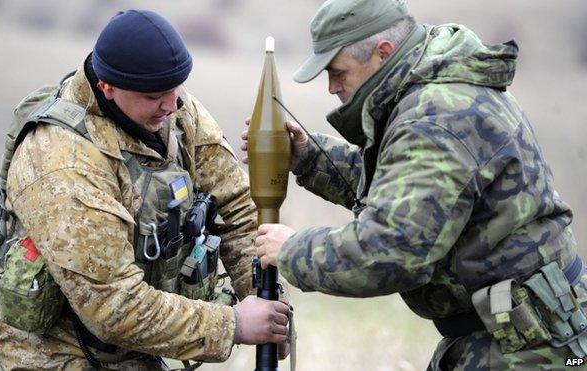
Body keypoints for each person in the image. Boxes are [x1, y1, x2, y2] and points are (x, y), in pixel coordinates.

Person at [242, 0, 587, 369]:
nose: (331, 87)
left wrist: (293, 248)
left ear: (383, 52)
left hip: (525, 349)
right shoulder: (435, 87)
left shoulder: (433, 118)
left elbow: (391, 250)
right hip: (515, 333)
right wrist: (310, 158)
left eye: (338, 72)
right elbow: (408, 191)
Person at [0, 9, 289, 370]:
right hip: (60, 357)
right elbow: (114, 306)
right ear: (108, 88)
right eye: (155, 96)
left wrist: (264, 297)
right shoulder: (60, 162)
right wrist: (235, 325)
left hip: (138, 349)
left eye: (175, 88)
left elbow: (237, 209)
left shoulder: (173, 113)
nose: (173, 104)